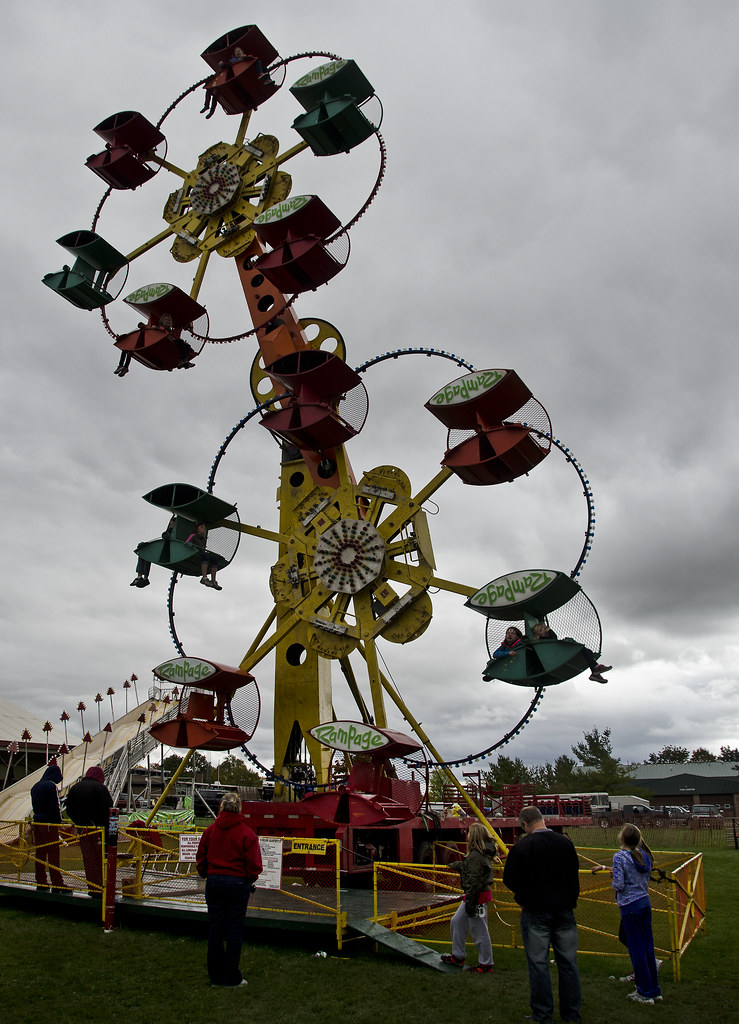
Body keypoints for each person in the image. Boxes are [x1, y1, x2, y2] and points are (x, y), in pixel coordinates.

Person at [503, 805, 582, 1024]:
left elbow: (510, 880)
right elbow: (573, 874)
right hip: (565, 911)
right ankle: (572, 1014)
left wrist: (525, 896)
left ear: (524, 824)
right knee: (568, 962)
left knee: (539, 964)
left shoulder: (523, 846)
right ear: (542, 819)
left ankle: (542, 1014)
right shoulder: (565, 843)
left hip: (536, 912)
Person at [196, 792, 263, 987]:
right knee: (234, 930)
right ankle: (231, 976)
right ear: (239, 808)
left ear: (221, 808)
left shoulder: (210, 830)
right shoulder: (247, 833)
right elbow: (254, 864)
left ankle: (215, 976)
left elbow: (201, 857)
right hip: (237, 884)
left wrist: (207, 874)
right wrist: (249, 879)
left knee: (215, 929)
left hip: (214, 882)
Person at [611, 824, 662, 1004]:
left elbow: (619, 885)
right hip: (644, 904)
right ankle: (654, 989)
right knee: (647, 947)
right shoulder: (644, 857)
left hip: (629, 907)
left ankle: (644, 992)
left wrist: (613, 880)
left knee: (637, 950)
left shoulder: (620, 857)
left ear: (622, 838)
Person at [441, 822, 497, 973]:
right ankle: (458, 956)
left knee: (479, 931)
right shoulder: (476, 856)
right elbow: (471, 868)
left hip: (476, 897)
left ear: (475, 836)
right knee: (457, 922)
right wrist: (457, 865)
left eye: (470, 833)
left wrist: (471, 904)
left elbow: (474, 880)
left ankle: (486, 964)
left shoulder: (475, 856)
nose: (467, 835)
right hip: (473, 896)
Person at [64, 765, 113, 897]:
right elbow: (109, 809)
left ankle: (92, 886)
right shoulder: (100, 788)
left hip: (83, 829)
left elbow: (69, 809)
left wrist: (79, 822)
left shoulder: (75, 788)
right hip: (98, 830)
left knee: (88, 859)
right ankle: (102, 887)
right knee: (101, 859)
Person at [30, 762, 71, 893]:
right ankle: (57, 883)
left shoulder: (35, 786)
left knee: (40, 853)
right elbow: (54, 806)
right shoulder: (51, 786)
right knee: (53, 854)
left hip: (37, 822)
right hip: (49, 824)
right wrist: (58, 822)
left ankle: (41, 881)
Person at [532, 622, 612, 684]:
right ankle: (595, 669)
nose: (545, 630)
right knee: (582, 649)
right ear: (539, 633)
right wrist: (548, 629)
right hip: (556, 656)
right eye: (542, 629)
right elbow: (554, 637)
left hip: (556, 654)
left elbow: (553, 638)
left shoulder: (545, 639)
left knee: (587, 651)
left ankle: (595, 671)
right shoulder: (542, 640)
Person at [131, 515, 176, 588]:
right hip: (165, 548)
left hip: (167, 550)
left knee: (146, 552)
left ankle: (142, 577)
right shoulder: (170, 531)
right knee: (145, 552)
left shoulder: (172, 532)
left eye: (172, 524)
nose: (170, 525)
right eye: (170, 523)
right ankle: (141, 577)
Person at [186, 522, 223, 590]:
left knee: (214, 558)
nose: (203, 529)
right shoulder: (193, 535)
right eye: (201, 527)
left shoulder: (203, 539)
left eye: (204, 528)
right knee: (205, 555)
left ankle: (213, 580)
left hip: (201, 552)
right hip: (194, 552)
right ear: (197, 529)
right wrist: (191, 545)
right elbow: (187, 542)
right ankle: (204, 578)